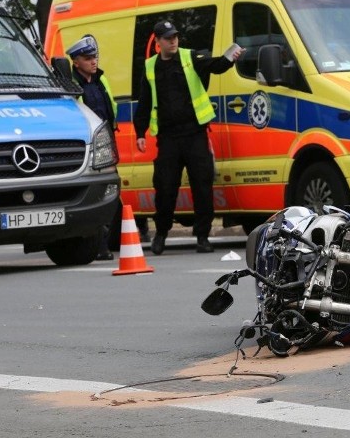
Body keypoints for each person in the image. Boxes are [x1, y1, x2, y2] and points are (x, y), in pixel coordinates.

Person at [133, 20, 243, 254]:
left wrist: (231, 57)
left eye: (175, 36)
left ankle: (202, 237)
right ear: (158, 42)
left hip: (195, 134)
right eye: (167, 38)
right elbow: (144, 101)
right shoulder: (150, 66)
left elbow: (216, 65)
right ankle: (160, 234)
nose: (173, 40)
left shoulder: (190, 57)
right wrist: (140, 132)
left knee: (202, 185)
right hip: (168, 138)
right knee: (165, 187)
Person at [66, 35, 118, 261]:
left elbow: (109, 109)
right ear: (76, 61)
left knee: (111, 194)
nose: (93, 62)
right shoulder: (69, 84)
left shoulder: (100, 80)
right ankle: (100, 245)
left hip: (105, 145)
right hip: (87, 149)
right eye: (87, 58)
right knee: (97, 195)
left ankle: (110, 242)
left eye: (94, 57)